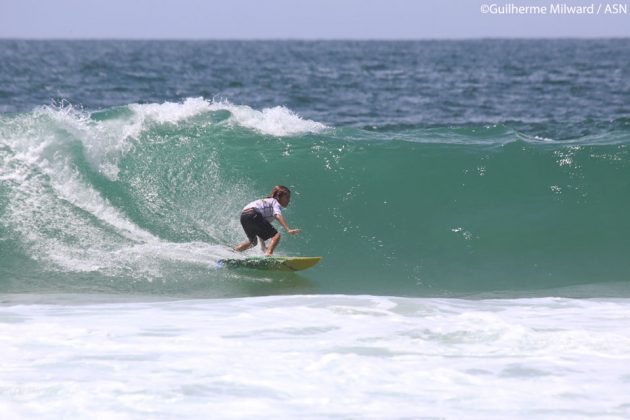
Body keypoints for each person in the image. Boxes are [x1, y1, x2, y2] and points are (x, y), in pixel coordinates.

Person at [234, 185, 301, 256]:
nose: (289, 200)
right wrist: (288, 229)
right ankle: (269, 254)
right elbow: (277, 215)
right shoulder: (275, 202)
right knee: (276, 236)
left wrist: (263, 247)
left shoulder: (267, 202)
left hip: (244, 216)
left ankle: (235, 251)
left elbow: (260, 230)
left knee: (253, 242)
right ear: (279, 197)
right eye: (287, 197)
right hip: (253, 214)